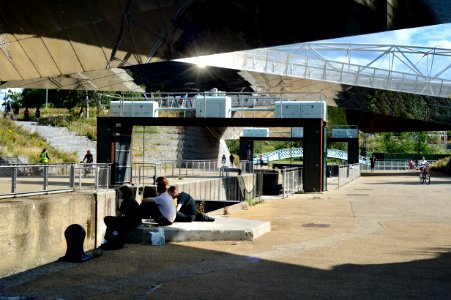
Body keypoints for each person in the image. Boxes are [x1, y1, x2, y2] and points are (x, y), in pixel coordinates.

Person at [101, 185, 142, 250]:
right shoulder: (132, 200)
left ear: (123, 193)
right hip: (134, 222)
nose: (118, 194)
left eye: (119, 193)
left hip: (130, 223)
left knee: (107, 219)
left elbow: (118, 215)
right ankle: (111, 235)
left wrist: (116, 203)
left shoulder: (126, 201)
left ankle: (109, 238)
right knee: (111, 225)